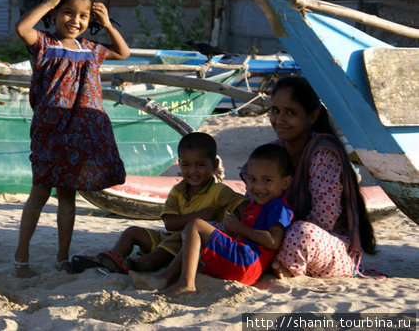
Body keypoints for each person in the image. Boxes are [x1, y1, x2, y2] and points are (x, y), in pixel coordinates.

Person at [13, 0, 131, 278]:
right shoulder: (44, 44)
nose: (75, 21)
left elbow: (123, 51)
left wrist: (106, 24)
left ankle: (62, 258)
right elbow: (21, 28)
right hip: (50, 132)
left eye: (83, 16)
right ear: (53, 14)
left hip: (79, 136)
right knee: (39, 194)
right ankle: (21, 256)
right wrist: (47, 1)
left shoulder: (92, 49)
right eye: (67, 12)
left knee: (67, 198)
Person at [130, 143, 294, 295]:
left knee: (196, 225)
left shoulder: (278, 206)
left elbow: (273, 240)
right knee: (195, 236)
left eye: (267, 180)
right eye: (252, 180)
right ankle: (165, 278)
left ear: (285, 182)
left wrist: (238, 228)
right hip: (243, 262)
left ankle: (185, 283)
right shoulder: (257, 204)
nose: (258, 187)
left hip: (247, 263)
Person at [73, 132, 247, 275]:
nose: (193, 171)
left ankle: (132, 265)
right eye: (186, 165)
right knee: (132, 232)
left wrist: (235, 226)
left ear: (215, 165)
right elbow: (170, 224)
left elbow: (244, 206)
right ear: (179, 163)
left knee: (156, 257)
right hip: (169, 237)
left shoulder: (219, 191)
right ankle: (112, 258)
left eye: (200, 165)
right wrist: (197, 216)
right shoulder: (178, 190)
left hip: (187, 246)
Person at [260, 76, 377, 278]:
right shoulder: (273, 151)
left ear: (312, 116)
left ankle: (277, 263)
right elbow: (254, 201)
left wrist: (274, 237)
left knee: (302, 234)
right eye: (275, 110)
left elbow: (322, 220)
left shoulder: (324, 154)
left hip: (327, 246)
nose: (279, 120)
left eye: (290, 112)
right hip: (273, 237)